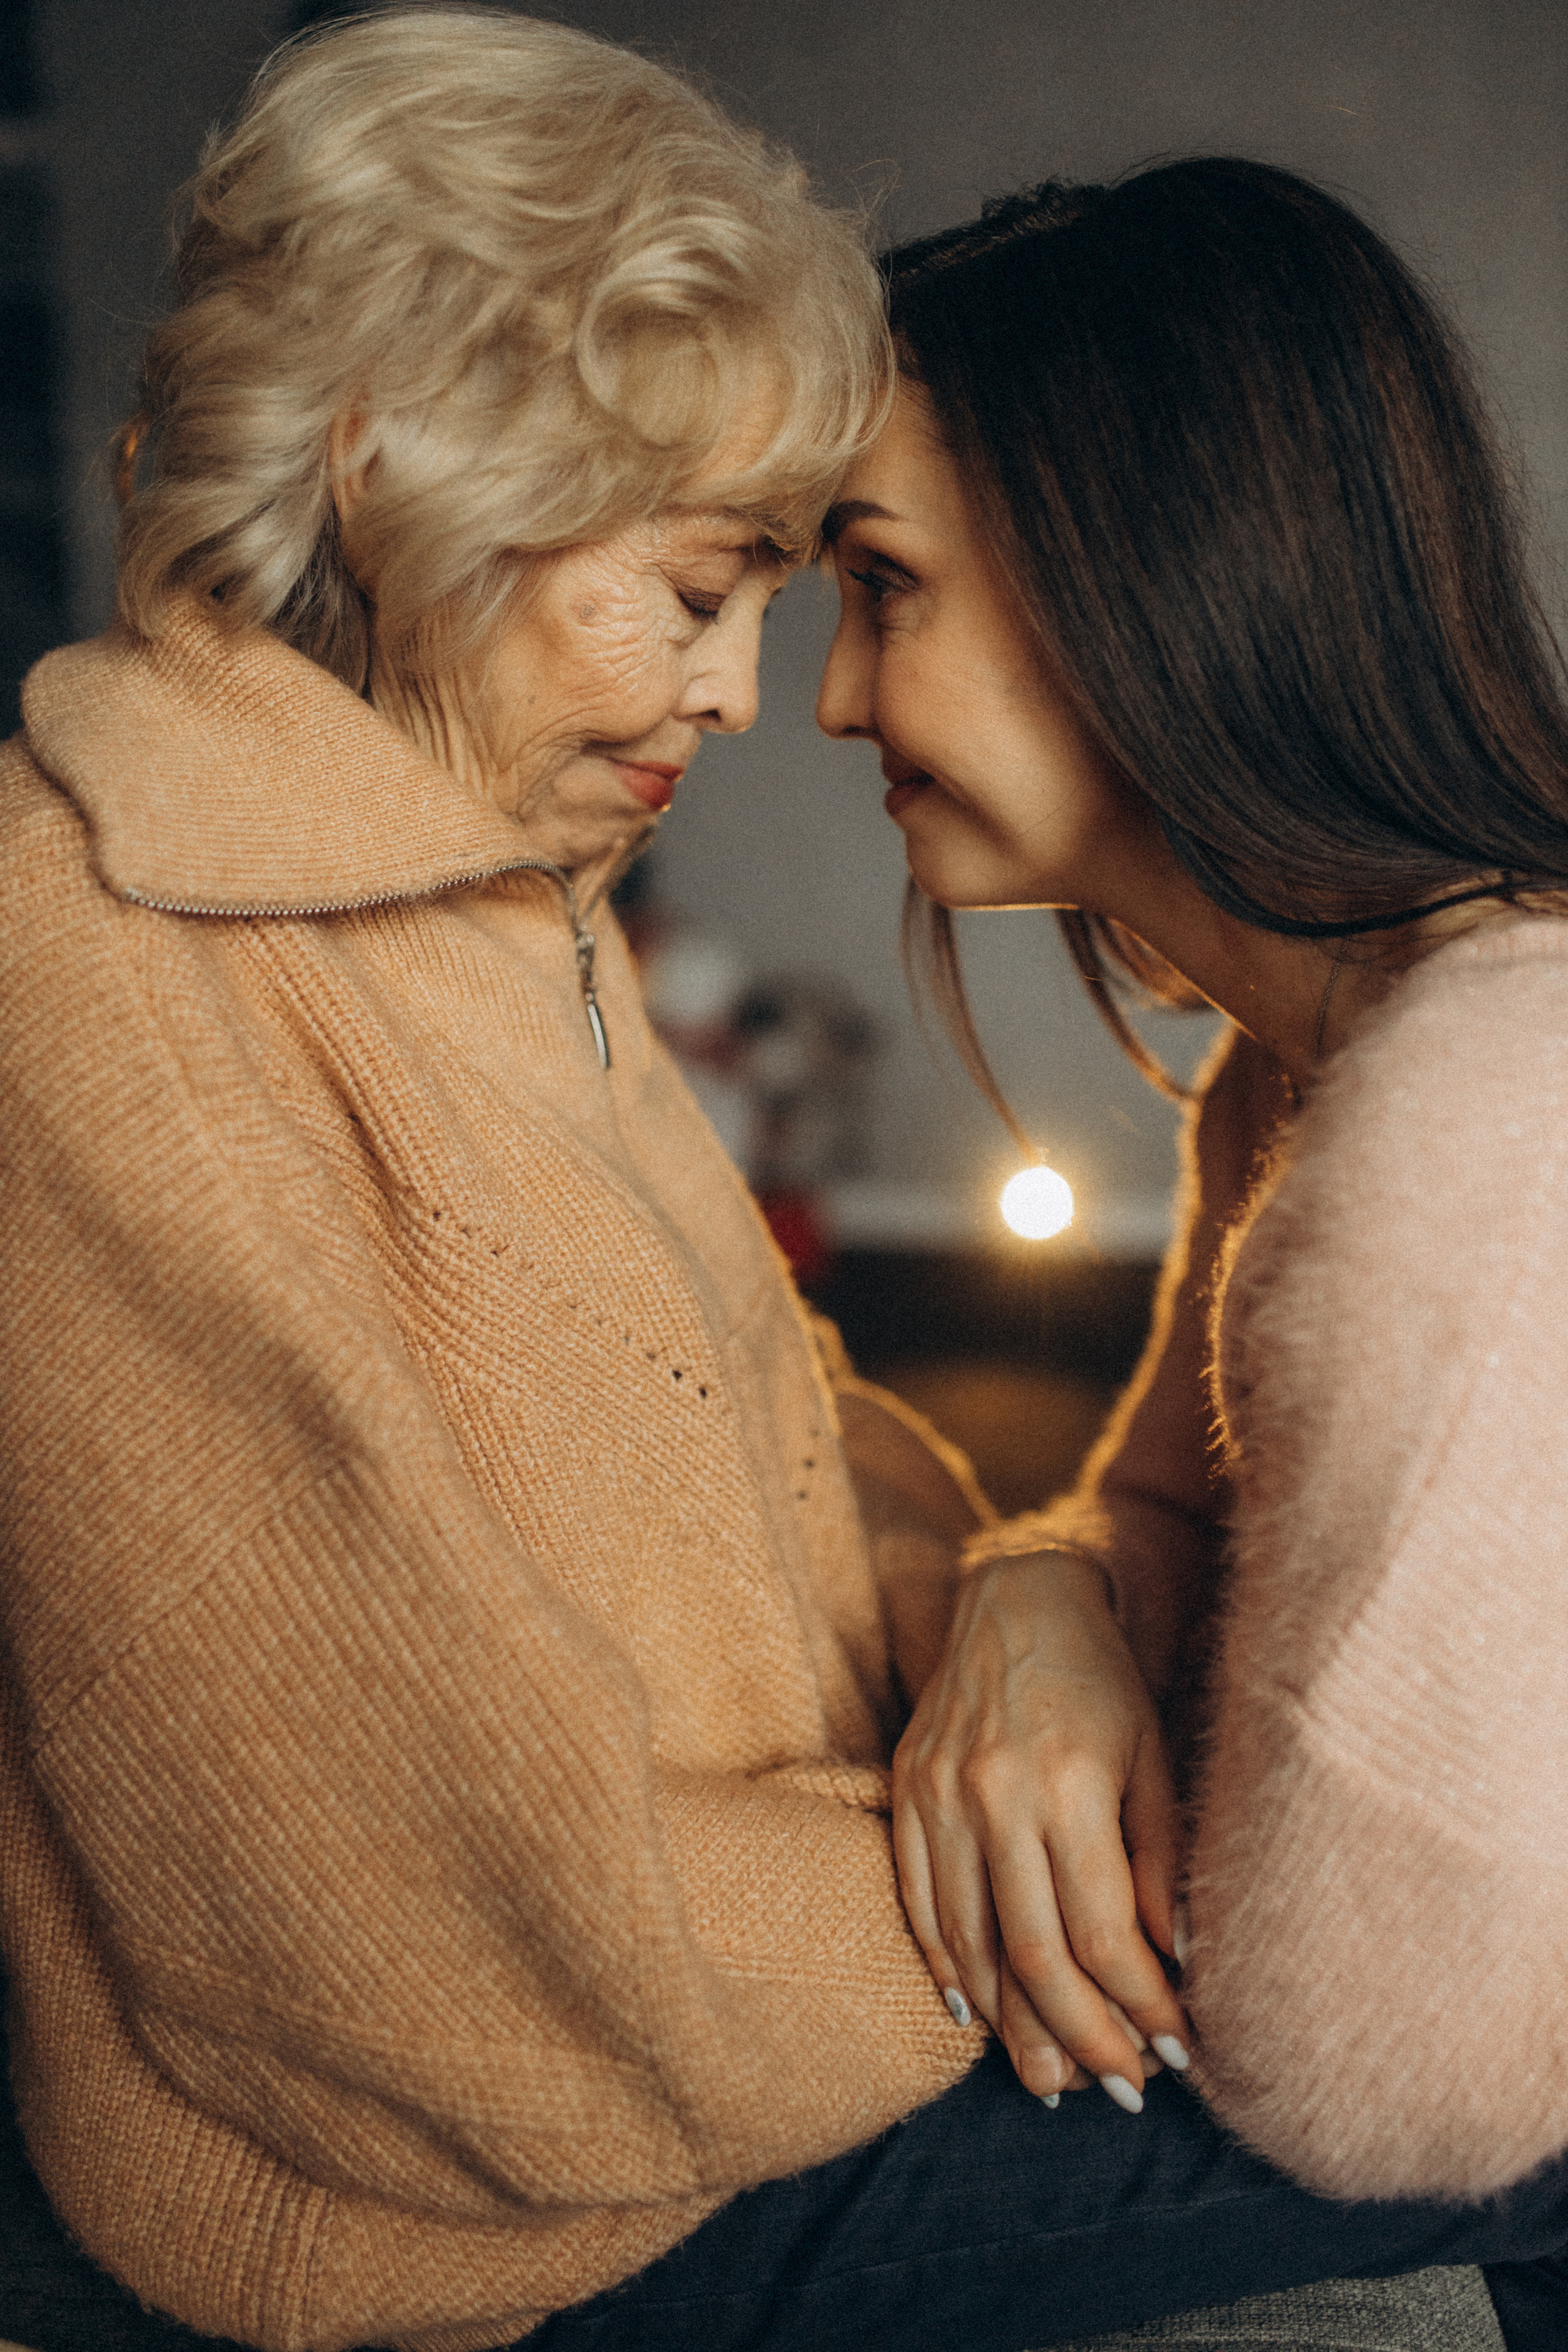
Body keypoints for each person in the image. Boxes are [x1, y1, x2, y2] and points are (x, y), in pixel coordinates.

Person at [0, 15, 1561, 2343]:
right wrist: (1005, 1799)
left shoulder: (495, 898)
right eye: (707, 587)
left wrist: (1013, 1625)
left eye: (844, 590)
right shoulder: (127, 961)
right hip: (493, 2208)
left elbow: (797, 1455)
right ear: (398, 472)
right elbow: (410, 1961)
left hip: (704, 2032)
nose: (769, 701)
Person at [815, 158, 1568, 2344]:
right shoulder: (1302, 1054)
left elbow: (1378, 2088)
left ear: (1135, 575)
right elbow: (1158, 1501)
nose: (832, 699)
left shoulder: (1482, 1122)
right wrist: (1032, 1593)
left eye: (881, 587)